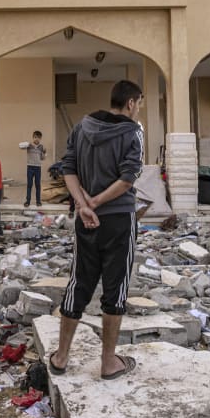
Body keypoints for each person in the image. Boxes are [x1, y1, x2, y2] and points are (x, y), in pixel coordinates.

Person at [48, 80, 144, 382]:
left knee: (79, 281)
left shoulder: (82, 126)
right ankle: (109, 362)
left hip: (85, 220)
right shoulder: (133, 132)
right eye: (139, 104)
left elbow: (68, 167)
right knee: (116, 287)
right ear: (131, 103)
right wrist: (98, 202)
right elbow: (128, 178)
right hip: (119, 220)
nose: (138, 110)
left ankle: (61, 357)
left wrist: (83, 204)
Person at [21, 131, 46, 208]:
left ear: (40, 138)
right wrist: (27, 144)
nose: (36, 139)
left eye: (38, 137)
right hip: (30, 167)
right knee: (29, 184)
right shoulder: (29, 145)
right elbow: (20, 146)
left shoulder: (41, 147)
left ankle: (38, 201)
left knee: (38, 185)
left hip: (38, 167)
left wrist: (44, 153)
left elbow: (42, 158)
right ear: (33, 137)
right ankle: (27, 201)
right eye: (35, 137)